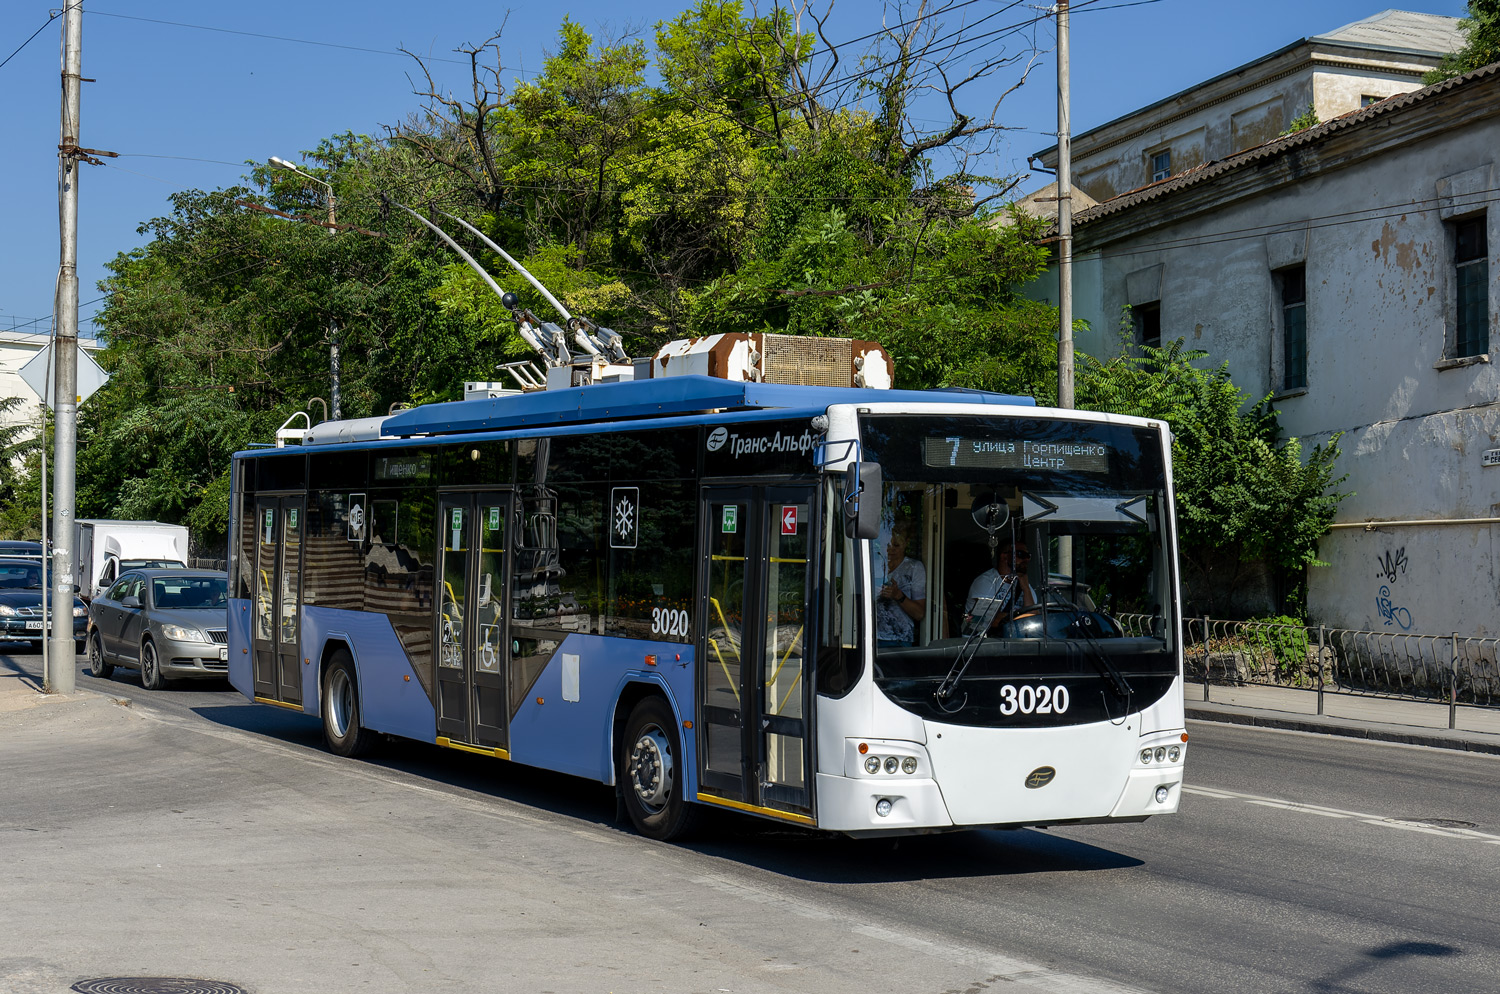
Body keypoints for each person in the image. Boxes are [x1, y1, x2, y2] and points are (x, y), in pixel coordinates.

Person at [964, 539, 1036, 635]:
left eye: (1028, 556)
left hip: (1010, 639)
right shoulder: (986, 581)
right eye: (1021, 554)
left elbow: (1034, 618)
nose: (1026, 560)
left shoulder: (1024, 584)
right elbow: (993, 620)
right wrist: (1024, 618)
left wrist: (1026, 589)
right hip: (980, 640)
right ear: (1004, 556)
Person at [876, 521, 927, 648]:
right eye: (887, 544)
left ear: (906, 543)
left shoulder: (914, 568)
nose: (890, 549)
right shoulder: (870, 564)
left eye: (896, 545)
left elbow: (919, 614)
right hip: (868, 637)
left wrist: (898, 595)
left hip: (899, 641)